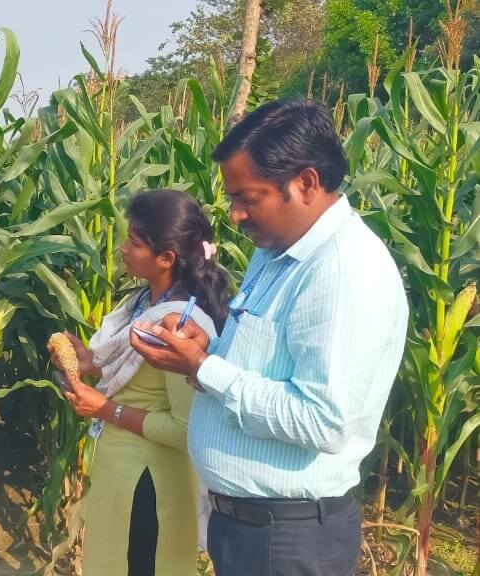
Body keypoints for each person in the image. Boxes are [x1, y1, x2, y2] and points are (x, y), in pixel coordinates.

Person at [131, 99, 408, 576]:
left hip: (285, 539)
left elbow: (323, 421)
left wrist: (203, 367)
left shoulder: (342, 272)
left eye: (248, 198)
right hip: (249, 529)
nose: (235, 215)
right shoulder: (278, 250)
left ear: (306, 183)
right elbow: (263, 365)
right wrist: (207, 351)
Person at [49, 189, 230, 575]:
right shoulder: (145, 301)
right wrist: (88, 364)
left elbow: (184, 429)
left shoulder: (178, 327)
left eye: (134, 242)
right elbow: (141, 379)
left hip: (150, 485)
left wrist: (105, 409)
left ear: (166, 258)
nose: (123, 249)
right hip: (123, 476)